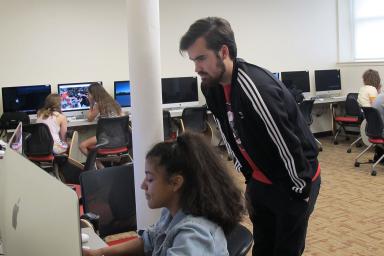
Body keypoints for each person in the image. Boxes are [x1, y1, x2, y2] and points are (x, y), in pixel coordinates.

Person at [179, 17, 321, 256]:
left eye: (201, 58)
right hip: (260, 181)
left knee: (285, 250)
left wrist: (299, 192)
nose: (196, 68)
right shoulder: (210, 86)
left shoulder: (255, 87)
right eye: (194, 60)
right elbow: (228, 133)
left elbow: (286, 144)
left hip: (293, 182)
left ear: (223, 52)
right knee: (263, 246)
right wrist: (250, 178)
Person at [82, 132, 245, 256]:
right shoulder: (172, 213)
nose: (142, 185)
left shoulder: (193, 235)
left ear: (175, 183)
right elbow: (149, 241)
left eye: (150, 179)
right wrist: (100, 252)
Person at [79, 82, 123, 156]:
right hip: (119, 136)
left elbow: (89, 119)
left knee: (82, 146)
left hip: (108, 136)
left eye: (88, 94)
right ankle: (101, 164)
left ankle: (97, 166)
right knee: (90, 146)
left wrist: (91, 104)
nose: (88, 96)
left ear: (93, 94)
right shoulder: (113, 102)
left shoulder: (99, 104)